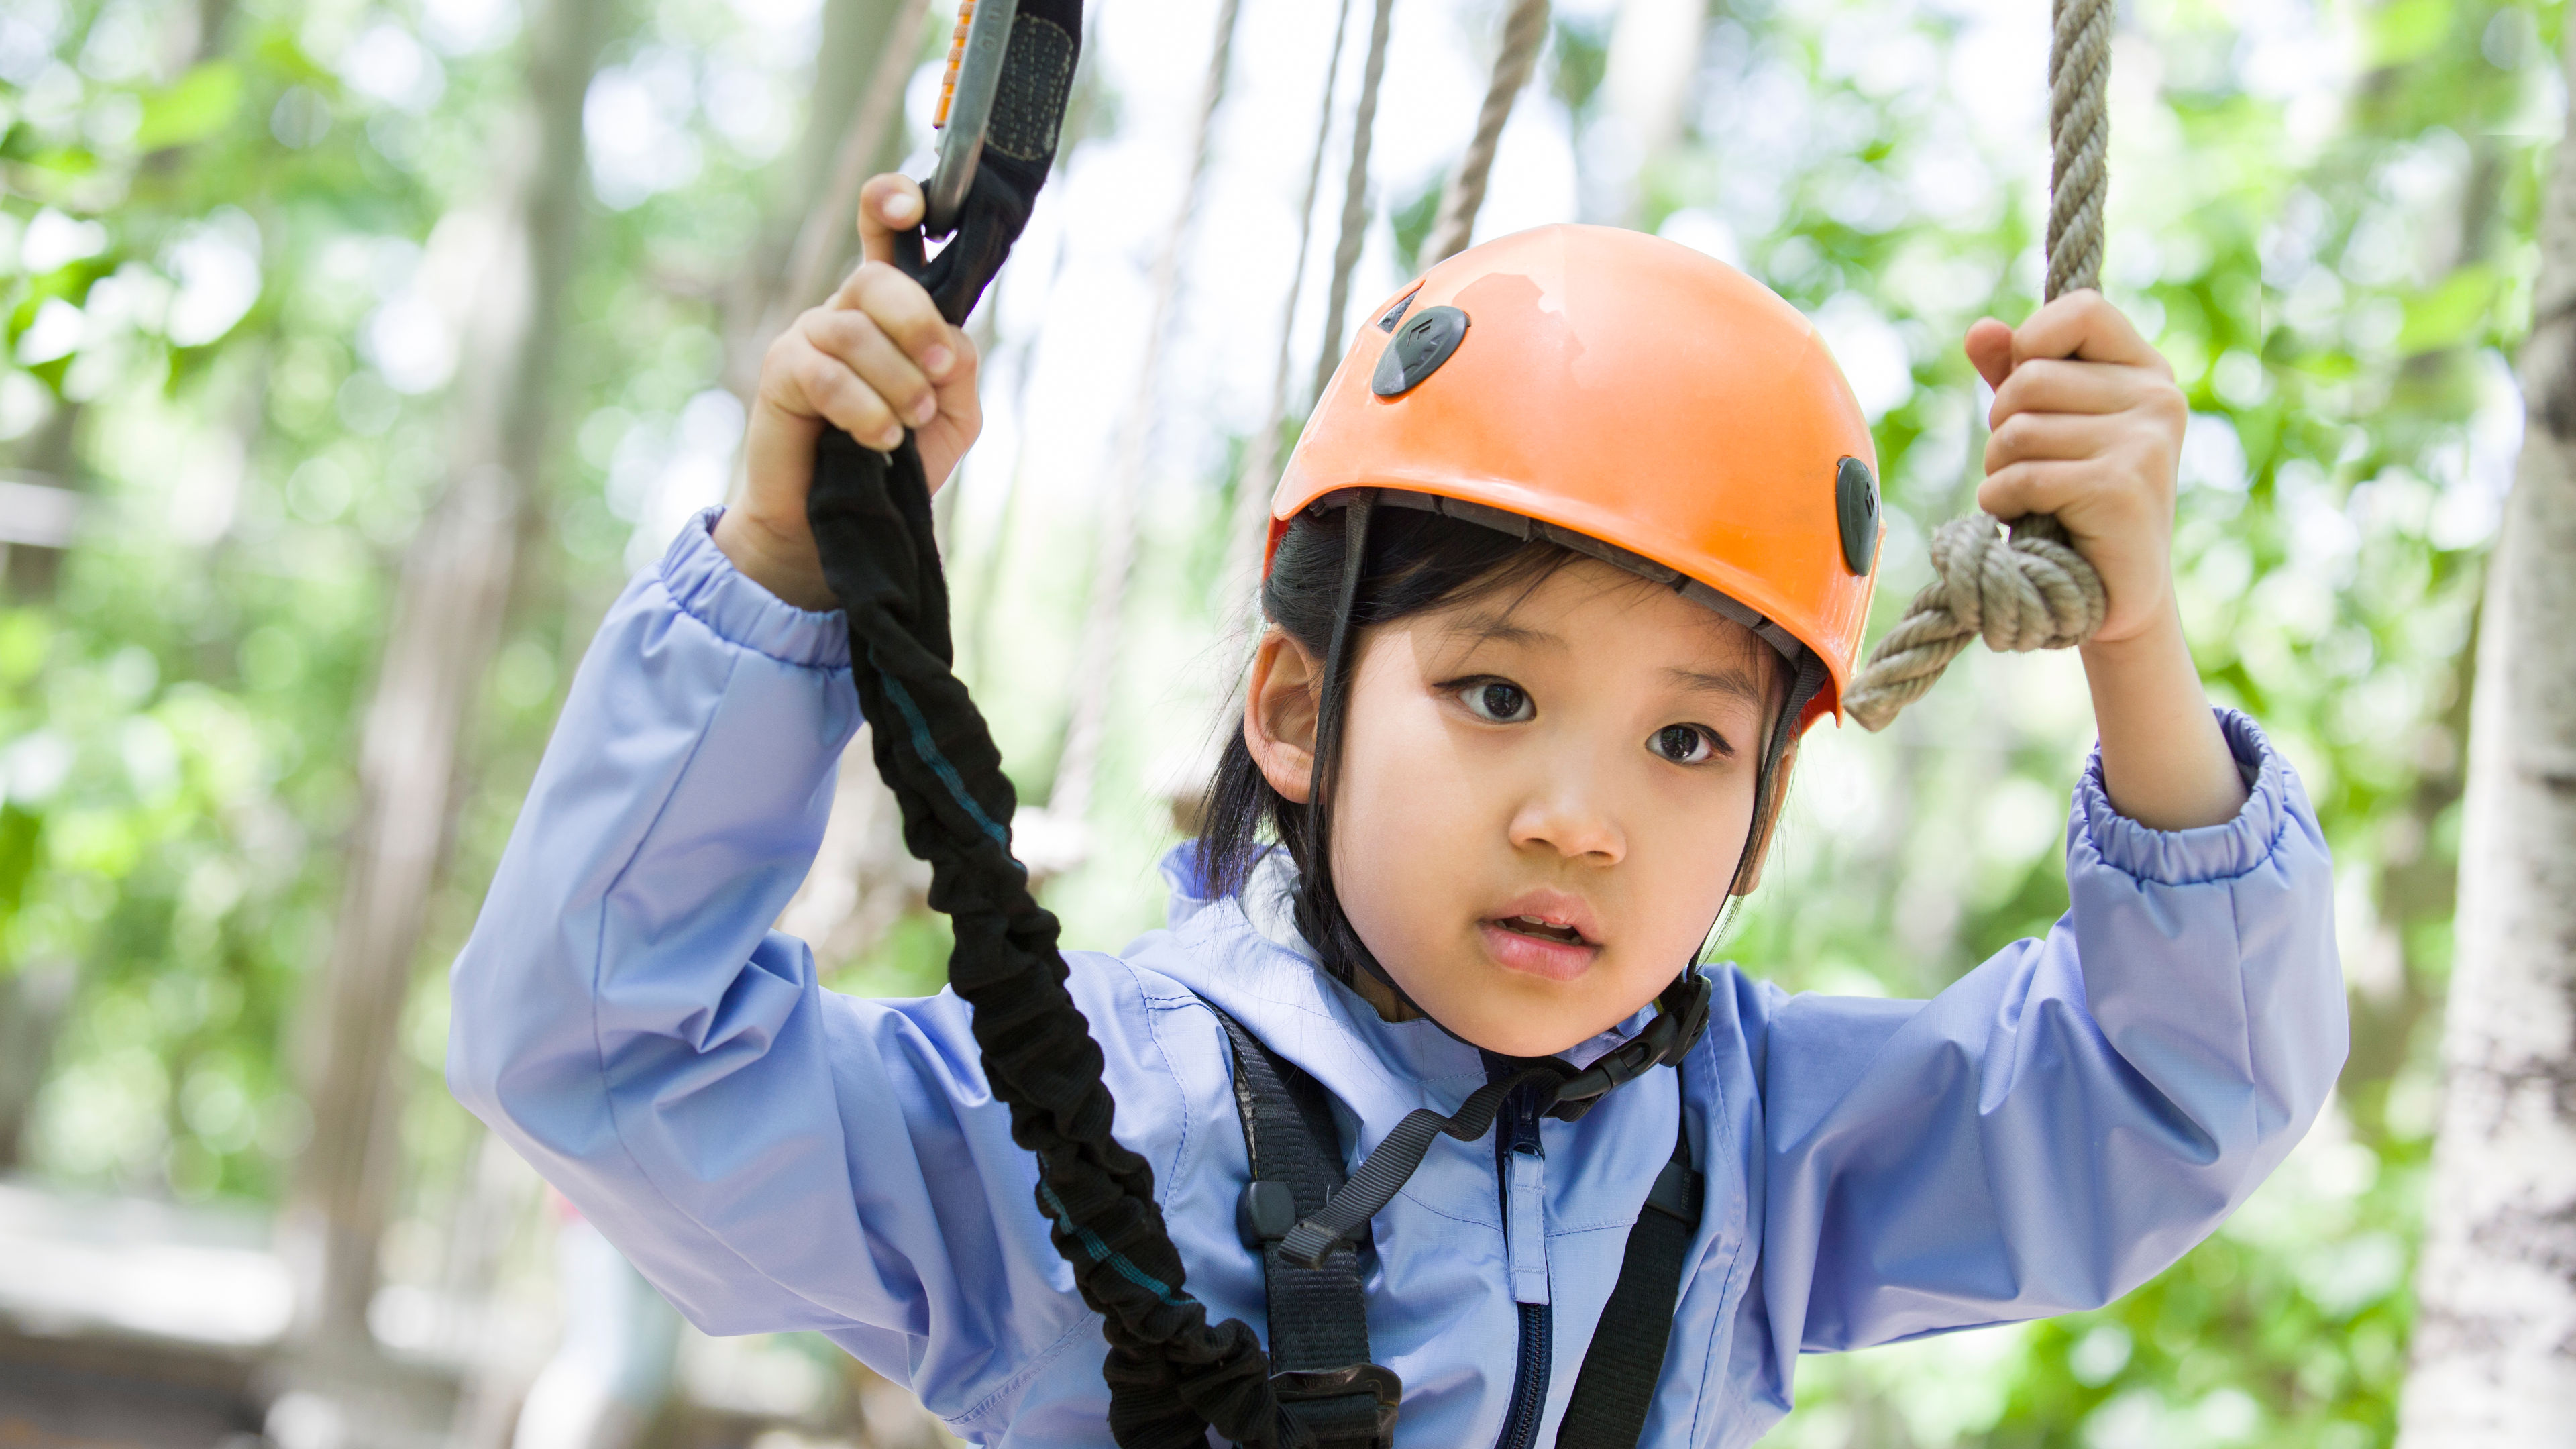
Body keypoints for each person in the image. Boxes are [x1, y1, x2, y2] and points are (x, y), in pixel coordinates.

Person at [448, 173, 2342, 1448]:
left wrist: (2136, 638)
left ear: (1761, 820)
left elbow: (2169, 1095)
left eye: (1690, 747)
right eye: (1496, 694)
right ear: (1295, 707)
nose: (1581, 820)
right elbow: (603, 1053)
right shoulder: (1084, 1113)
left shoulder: (1756, 1154)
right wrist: (787, 558)